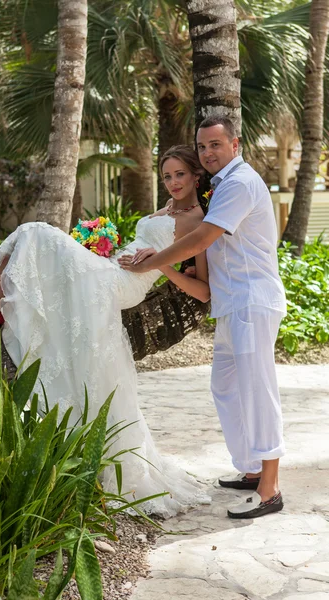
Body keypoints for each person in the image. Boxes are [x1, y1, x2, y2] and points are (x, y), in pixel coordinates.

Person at [0, 145, 211, 518]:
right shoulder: (169, 211)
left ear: (196, 176)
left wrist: (160, 266)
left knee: (35, 232)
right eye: (167, 175)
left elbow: (203, 290)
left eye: (180, 175)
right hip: (110, 270)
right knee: (25, 244)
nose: (173, 182)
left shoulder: (199, 220)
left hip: (122, 284)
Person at [119, 115, 287, 520]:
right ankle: (249, 468)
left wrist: (151, 264)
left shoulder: (241, 183)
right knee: (226, 388)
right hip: (231, 304)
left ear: (236, 144)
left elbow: (204, 236)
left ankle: (270, 487)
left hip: (251, 300)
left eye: (215, 144)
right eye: (203, 146)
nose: (208, 152)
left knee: (257, 390)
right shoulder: (222, 186)